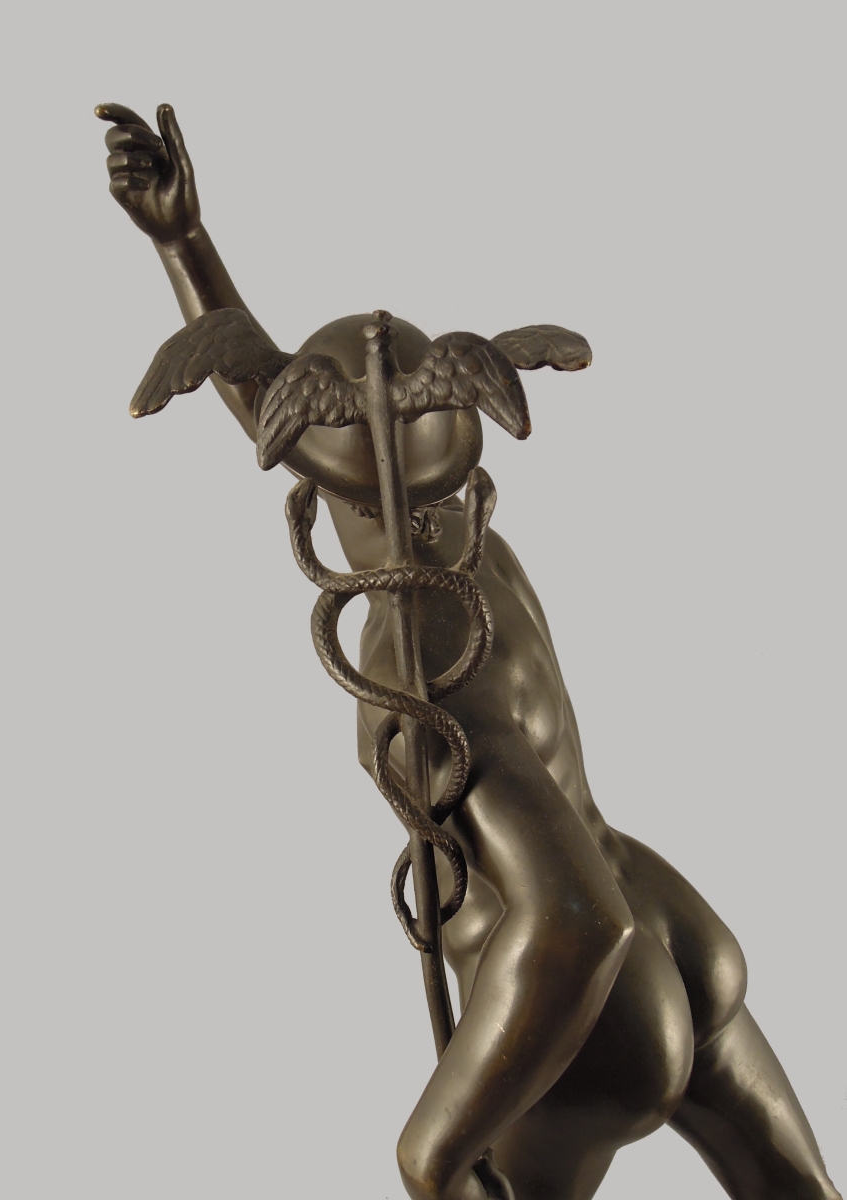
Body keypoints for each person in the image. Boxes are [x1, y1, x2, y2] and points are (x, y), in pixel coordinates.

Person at [96, 102, 842, 1200]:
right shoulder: (461, 540)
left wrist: (433, 1148)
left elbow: (575, 924)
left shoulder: (416, 662)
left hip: (578, 1002)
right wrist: (184, 243)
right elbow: (312, 428)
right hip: (679, 932)